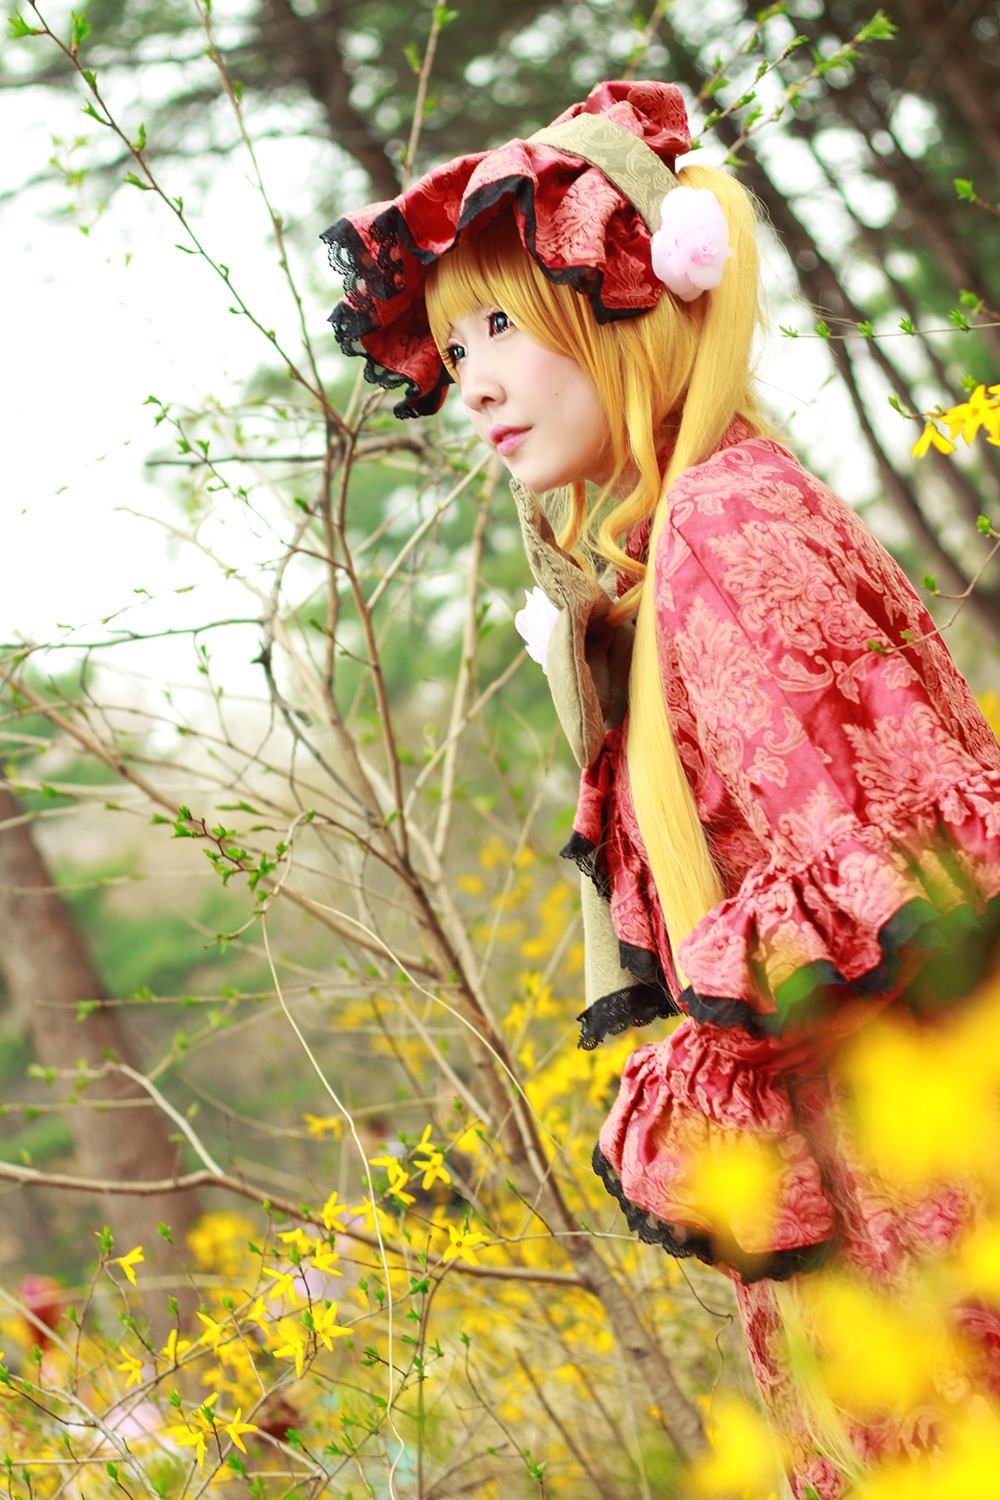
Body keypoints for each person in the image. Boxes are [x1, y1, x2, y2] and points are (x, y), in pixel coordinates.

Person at [323, 81, 1000, 1497]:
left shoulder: (720, 526)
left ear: (630, 294)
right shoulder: (710, 515)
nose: (479, 384)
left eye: (506, 323)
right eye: (456, 347)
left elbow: (902, 928)